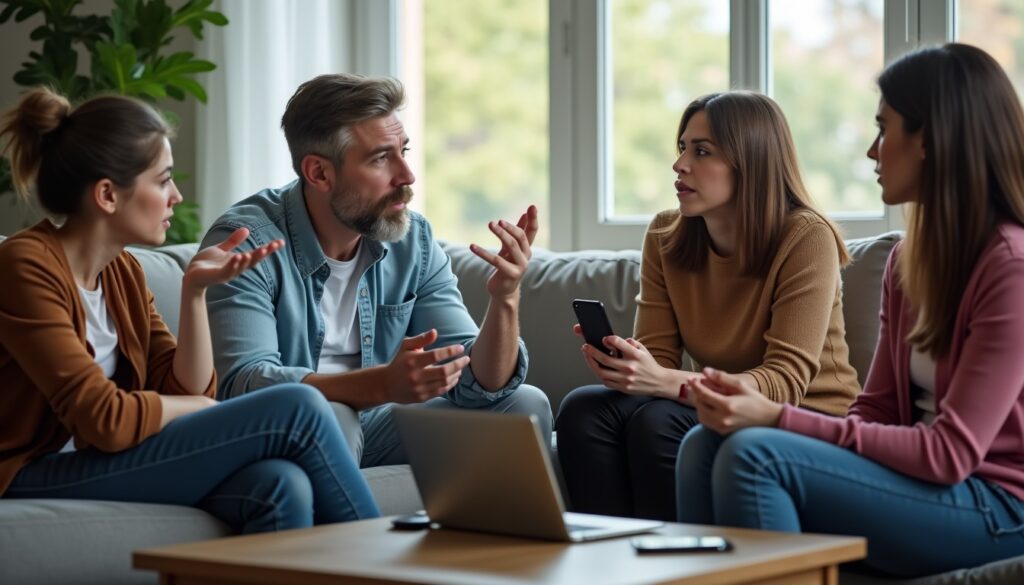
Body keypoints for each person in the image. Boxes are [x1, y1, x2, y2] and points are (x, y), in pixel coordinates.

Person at [676, 43, 1024, 577]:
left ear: (929, 138)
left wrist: (777, 418)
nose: (872, 151)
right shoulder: (910, 262)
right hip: (929, 488)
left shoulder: (1010, 267)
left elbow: (951, 454)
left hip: (998, 506)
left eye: (884, 130)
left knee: (755, 456)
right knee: (705, 444)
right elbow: (876, 411)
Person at [0, 88, 379, 534]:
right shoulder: (25, 265)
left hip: (98, 458)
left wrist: (194, 292)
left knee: (281, 485)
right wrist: (196, 406)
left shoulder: (121, 270)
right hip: (26, 470)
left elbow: (181, 384)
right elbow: (103, 419)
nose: (176, 196)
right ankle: (387, 572)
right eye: (162, 181)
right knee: (299, 405)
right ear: (107, 195)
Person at [201, 74, 552, 468]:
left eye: (404, 151)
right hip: (291, 429)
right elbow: (244, 384)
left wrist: (505, 297)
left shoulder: (412, 239)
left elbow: (476, 380)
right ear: (319, 173)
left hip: (380, 424)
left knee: (524, 403)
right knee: (334, 415)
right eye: (381, 158)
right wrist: (381, 384)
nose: (407, 175)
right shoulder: (244, 241)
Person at [556, 91, 860, 521]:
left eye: (702, 152)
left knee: (658, 423)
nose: (680, 165)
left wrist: (662, 381)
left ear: (750, 162)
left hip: (803, 419)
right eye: (682, 148)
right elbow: (659, 359)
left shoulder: (806, 237)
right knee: (585, 411)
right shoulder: (666, 234)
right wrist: (631, 367)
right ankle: (611, 563)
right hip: (718, 402)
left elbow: (785, 382)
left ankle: (677, 567)